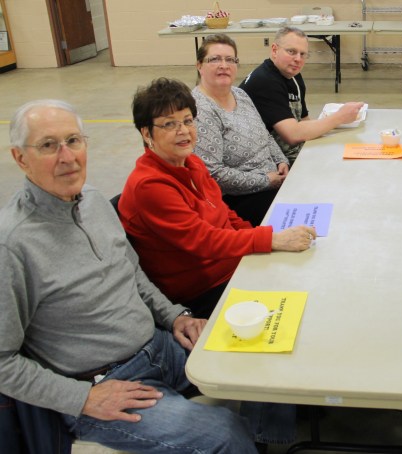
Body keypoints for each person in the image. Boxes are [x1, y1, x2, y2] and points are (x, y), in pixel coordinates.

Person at [0, 99, 257, 452]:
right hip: (106, 382)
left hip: (160, 347)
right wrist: (83, 398)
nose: (67, 156)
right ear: (19, 158)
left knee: (261, 362)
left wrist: (175, 316)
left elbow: (132, 272)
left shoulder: (92, 201)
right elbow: (2, 363)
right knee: (223, 433)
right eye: (48, 145)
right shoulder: (12, 244)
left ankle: (269, 438)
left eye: (74, 140)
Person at [119, 78, 316, 320]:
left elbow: (225, 213)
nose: (183, 131)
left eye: (188, 121)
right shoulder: (149, 186)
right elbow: (204, 241)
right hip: (203, 289)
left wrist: (260, 244)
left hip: (231, 265)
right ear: (147, 133)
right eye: (169, 124)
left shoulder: (191, 162)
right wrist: (270, 240)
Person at [193, 34, 289, 227]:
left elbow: (265, 135)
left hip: (272, 179)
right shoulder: (199, 109)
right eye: (215, 59)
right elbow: (214, 174)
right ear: (199, 66)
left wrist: (281, 160)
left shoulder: (240, 94)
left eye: (230, 59)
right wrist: (265, 181)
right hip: (239, 199)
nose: (224, 65)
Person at [240, 27, 365, 164]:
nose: (298, 59)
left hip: (288, 152)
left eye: (303, 54)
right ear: (274, 50)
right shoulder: (265, 80)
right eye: (291, 52)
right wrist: (339, 117)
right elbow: (293, 135)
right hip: (267, 161)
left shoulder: (293, 76)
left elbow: (304, 121)